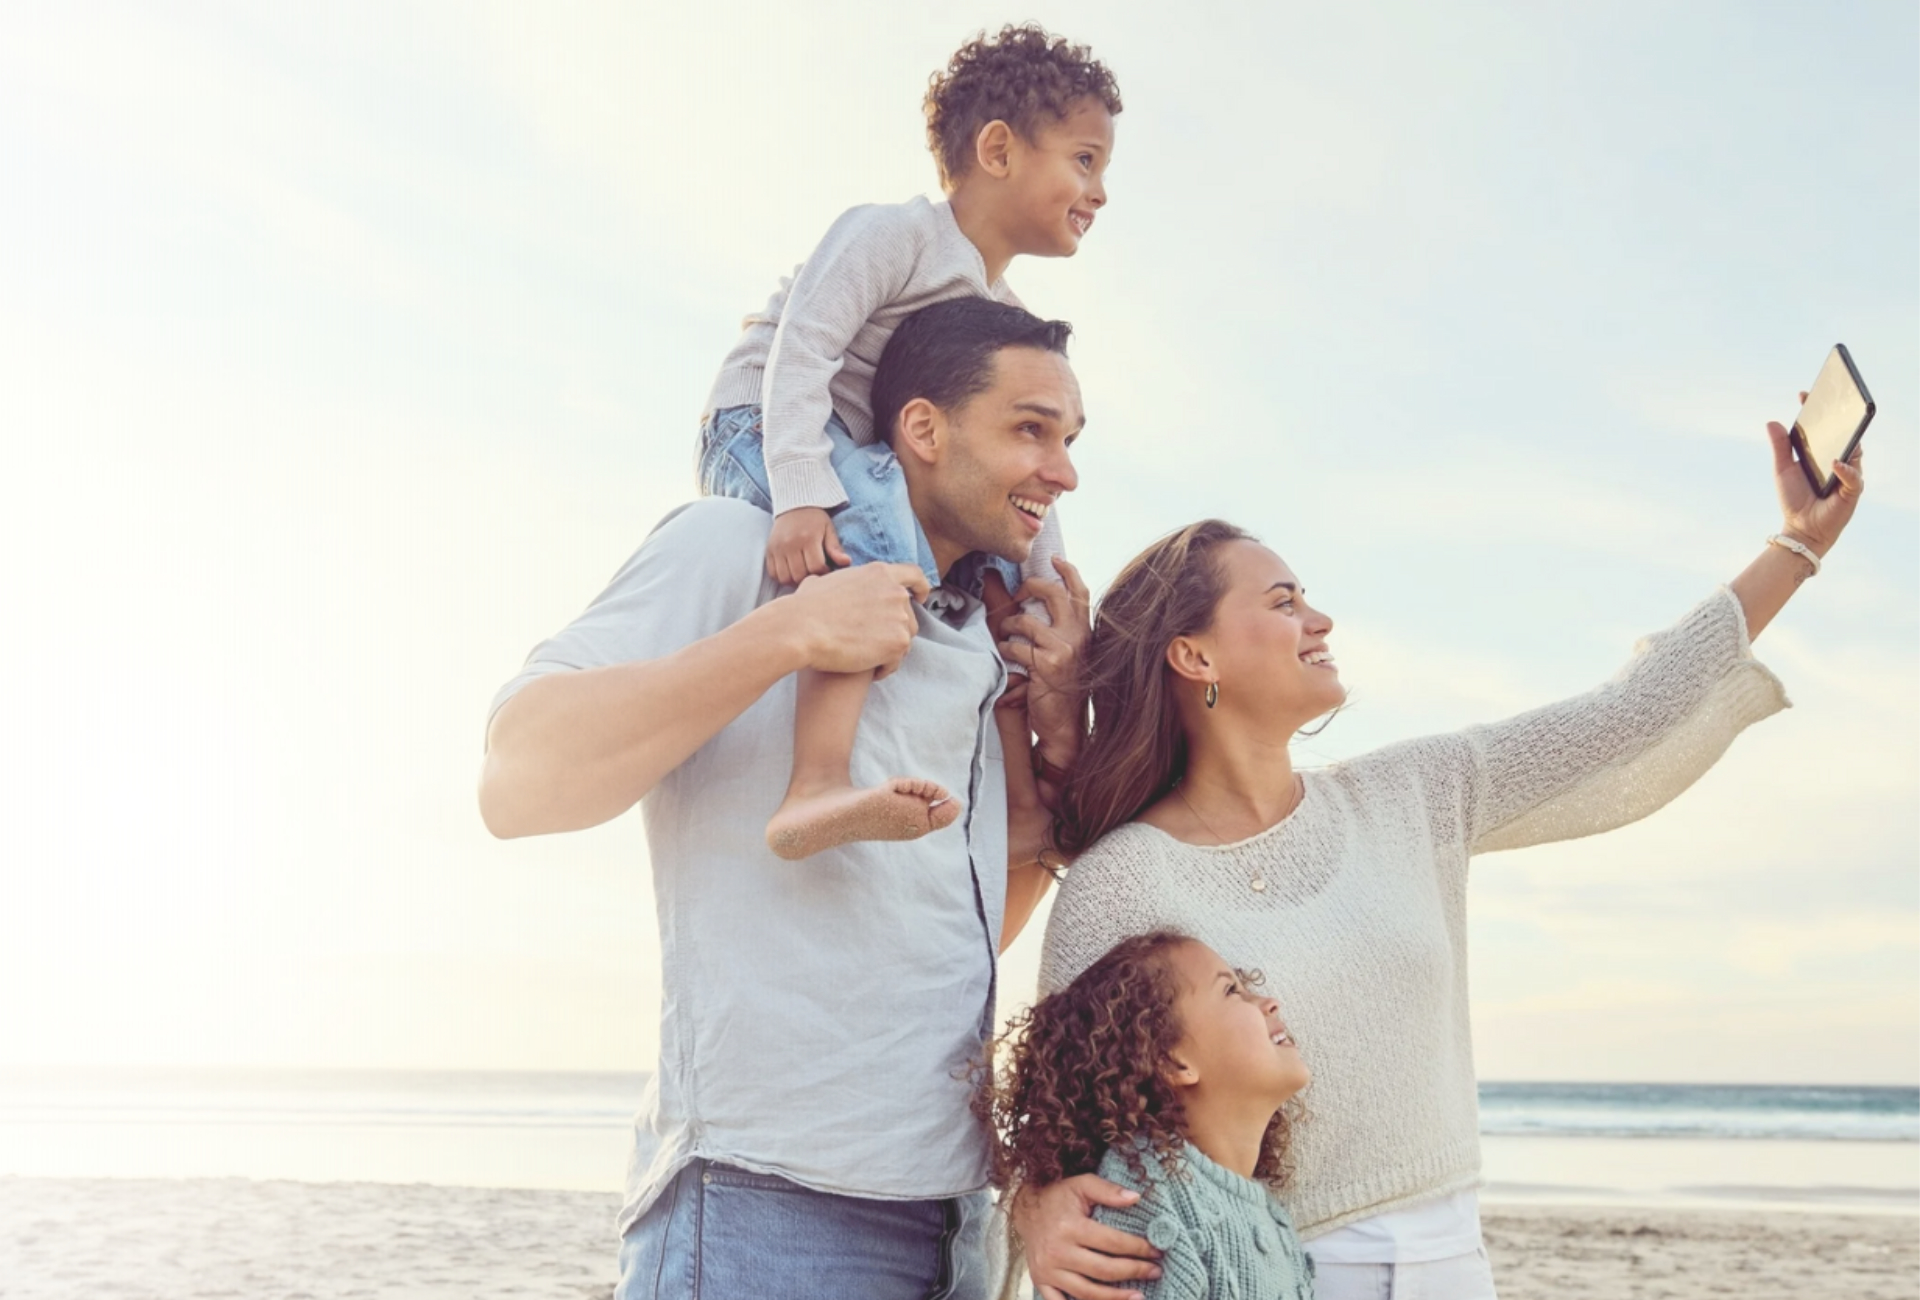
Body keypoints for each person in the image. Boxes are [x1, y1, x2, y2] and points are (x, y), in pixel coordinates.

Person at [1014, 412, 1866, 1300]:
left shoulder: (1416, 793)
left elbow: (1627, 714)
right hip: (1262, 1269)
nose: (1319, 617)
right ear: (1193, 654)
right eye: (1283, 602)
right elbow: (1057, 1123)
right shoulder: (1123, 881)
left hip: (1454, 1260)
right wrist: (1034, 1210)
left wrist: (1797, 546)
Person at [480, 298, 1093, 1300]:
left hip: (953, 1218)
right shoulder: (735, 545)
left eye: (1069, 440)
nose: (1061, 471)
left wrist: (1057, 752)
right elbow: (514, 778)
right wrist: (790, 635)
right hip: (766, 1208)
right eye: (1031, 429)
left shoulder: (975, 640)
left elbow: (950, 931)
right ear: (924, 430)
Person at [696, 22, 1120, 860]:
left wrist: (1044, 580)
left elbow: (1019, 464)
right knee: (883, 538)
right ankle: (814, 781)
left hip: (865, 453)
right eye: (1084, 160)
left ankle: (1025, 800)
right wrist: (802, 493)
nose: (1101, 191)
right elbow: (800, 349)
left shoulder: (999, 313)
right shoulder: (891, 233)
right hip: (762, 428)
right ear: (998, 149)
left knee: (993, 581)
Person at [977, 930, 1317, 1299]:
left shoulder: (1264, 1210)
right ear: (1173, 1061)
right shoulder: (1142, 1201)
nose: (1270, 1002)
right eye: (1231, 991)